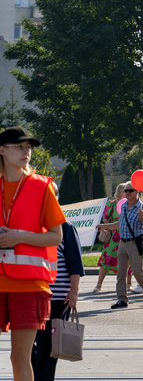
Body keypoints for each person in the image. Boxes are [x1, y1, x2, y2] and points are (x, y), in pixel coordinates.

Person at [0, 127, 65, 381]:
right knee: (19, 357)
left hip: (28, 284)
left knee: (20, 357)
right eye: (19, 146)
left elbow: (56, 236)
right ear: (2, 150)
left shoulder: (41, 186)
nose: (26, 151)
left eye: (28, 147)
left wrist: (19, 237)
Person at [31, 220, 83, 381]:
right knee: (27, 345)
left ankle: (44, 378)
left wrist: (74, 291)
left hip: (57, 298)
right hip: (31, 296)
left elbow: (75, 263)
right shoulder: (30, 226)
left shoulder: (66, 228)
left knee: (49, 347)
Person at [98, 181, 143, 309]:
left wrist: (142, 218)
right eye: (126, 191)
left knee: (137, 271)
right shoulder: (124, 206)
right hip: (122, 243)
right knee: (121, 273)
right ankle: (122, 300)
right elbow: (120, 224)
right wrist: (104, 226)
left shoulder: (142, 208)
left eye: (130, 191)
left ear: (137, 192)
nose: (127, 193)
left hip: (134, 243)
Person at [93, 183, 124, 293]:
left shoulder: (130, 204)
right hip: (113, 236)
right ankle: (98, 284)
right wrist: (111, 227)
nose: (128, 194)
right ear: (120, 193)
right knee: (106, 258)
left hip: (126, 236)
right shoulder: (112, 204)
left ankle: (128, 284)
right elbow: (105, 218)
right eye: (126, 192)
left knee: (127, 260)